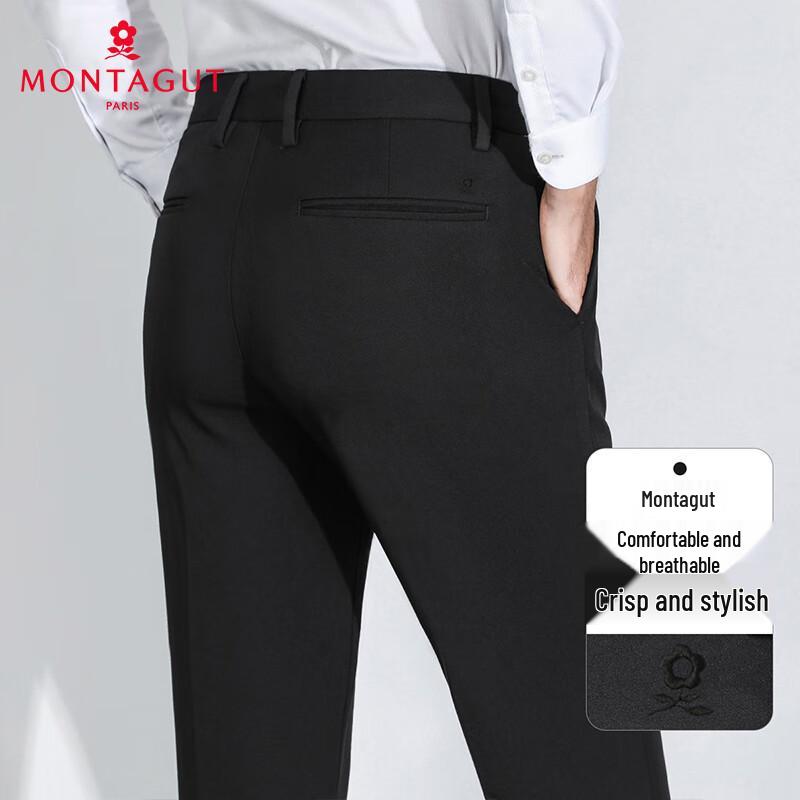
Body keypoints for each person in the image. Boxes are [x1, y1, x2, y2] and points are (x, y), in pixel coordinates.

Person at [27, 2, 671, 798]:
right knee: (583, 740)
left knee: (250, 770)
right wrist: (572, 164)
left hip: (218, 205)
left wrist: (178, 159)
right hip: (435, 201)